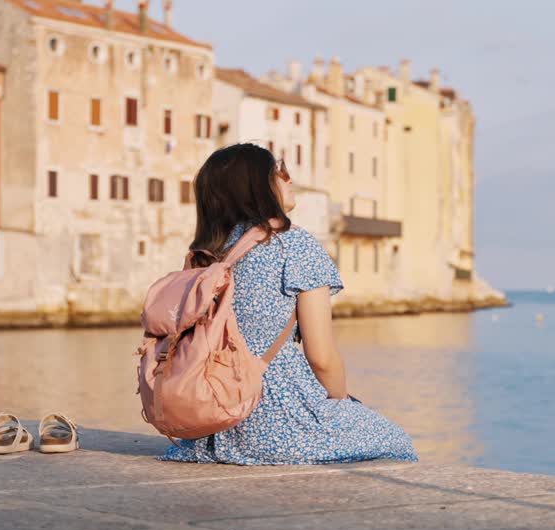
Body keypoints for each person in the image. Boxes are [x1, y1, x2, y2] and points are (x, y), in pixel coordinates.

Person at [161, 143, 417, 465]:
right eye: (280, 172)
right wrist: (341, 405)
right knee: (398, 443)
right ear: (258, 187)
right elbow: (321, 357)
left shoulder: (207, 253)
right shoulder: (295, 245)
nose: (289, 179)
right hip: (281, 422)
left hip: (208, 428)